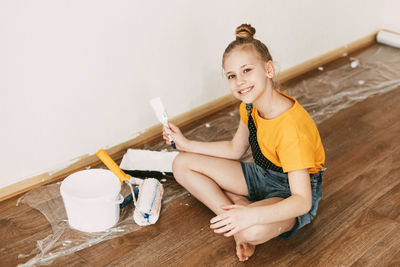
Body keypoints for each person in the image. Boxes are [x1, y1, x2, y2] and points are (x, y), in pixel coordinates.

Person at [162, 24, 325, 262]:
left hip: (291, 194)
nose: (240, 81)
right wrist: (185, 144)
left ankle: (241, 220)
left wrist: (250, 219)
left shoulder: (292, 130)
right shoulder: (249, 107)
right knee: (181, 164)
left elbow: (302, 201)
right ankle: (238, 212)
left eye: (247, 70)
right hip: (264, 175)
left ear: (268, 69)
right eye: (232, 75)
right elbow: (234, 149)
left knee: (251, 230)